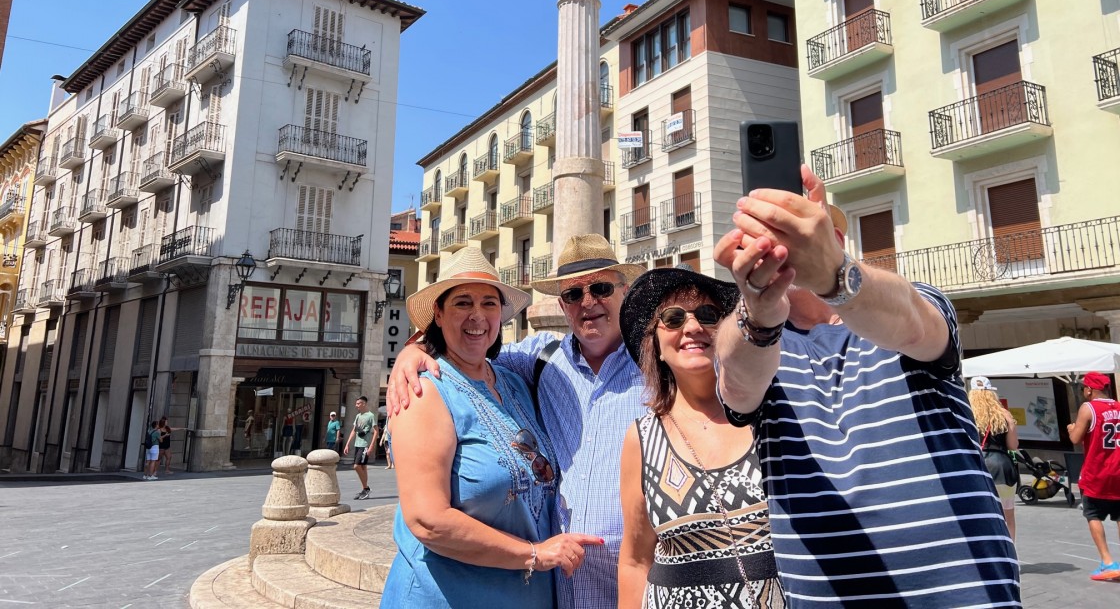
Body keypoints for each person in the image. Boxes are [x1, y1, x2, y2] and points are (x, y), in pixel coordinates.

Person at [714, 166, 1020, 607]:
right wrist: (757, 316)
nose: (793, 244)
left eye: (811, 231)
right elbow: (736, 384)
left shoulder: (912, 301)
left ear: (839, 244)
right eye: (775, 234)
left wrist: (837, 277)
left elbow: (914, 323)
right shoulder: (752, 339)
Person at [388, 234, 646, 608]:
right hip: (451, 595)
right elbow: (427, 519)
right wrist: (412, 351)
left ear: (625, 293)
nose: (588, 302)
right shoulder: (430, 390)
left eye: (601, 288)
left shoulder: (517, 377)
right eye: (574, 294)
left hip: (611, 585)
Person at [617, 265, 784, 608]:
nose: (692, 327)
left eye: (707, 314)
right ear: (657, 346)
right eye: (674, 318)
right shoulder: (642, 439)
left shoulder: (772, 415)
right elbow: (635, 561)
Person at [1067, 371, 1120, 581]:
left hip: (1096, 472)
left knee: (1093, 514)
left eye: (1084, 389)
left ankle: (1107, 561)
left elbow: (1075, 438)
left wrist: (1072, 427)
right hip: (1118, 470)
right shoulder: (1118, 406)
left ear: (1089, 390)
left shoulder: (1088, 408)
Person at [969, 376, 1020, 540]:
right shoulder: (1004, 415)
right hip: (1002, 468)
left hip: (978, 468)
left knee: (980, 516)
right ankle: (1010, 558)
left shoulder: (967, 414)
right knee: (1008, 518)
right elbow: (1013, 445)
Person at [342, 396, 377, 500]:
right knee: (363, 467)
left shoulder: (370, 416)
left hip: (364, 445)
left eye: (358, 404)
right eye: (356, 403)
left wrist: (371, 446)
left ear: (364, 404)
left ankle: (366, 488)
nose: (356, 405)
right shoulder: (358, 416)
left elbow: (376, 431)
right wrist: (347, 444)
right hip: (357, 444)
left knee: (356, 466)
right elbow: (354, 430)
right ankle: (364, 490)